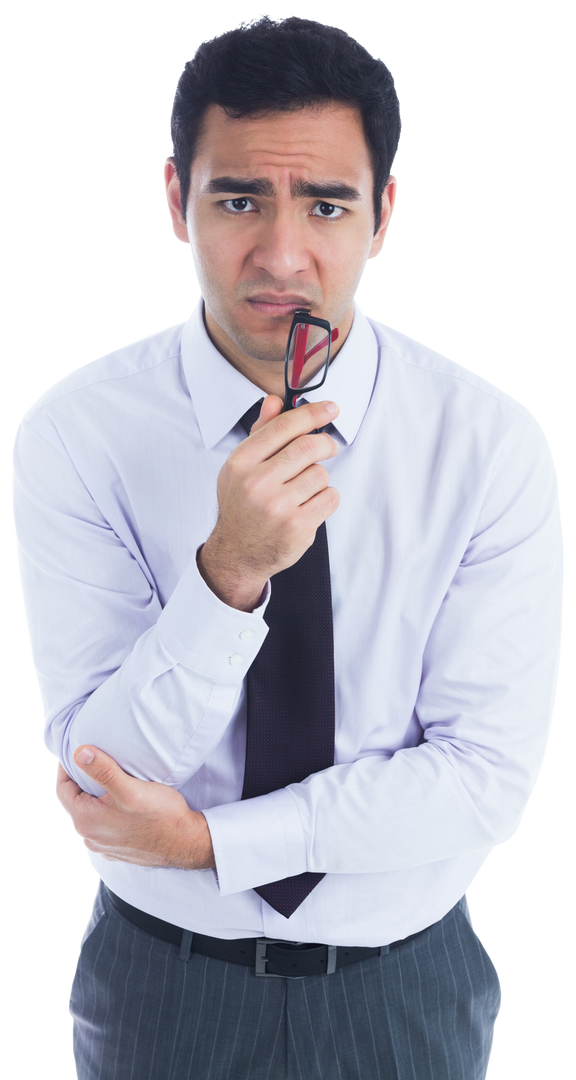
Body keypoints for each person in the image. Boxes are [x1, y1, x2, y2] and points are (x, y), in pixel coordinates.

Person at [9, 12, 564, 1080]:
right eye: (238, 200)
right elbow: (104, 776)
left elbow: (483, 779)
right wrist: (231, 571)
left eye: (325, 203)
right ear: (175, 199)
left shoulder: (488, 442)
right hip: (161, 982)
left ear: (384, 216)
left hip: (404, 984)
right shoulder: (78, 430)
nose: (282, 254)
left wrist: (213, 845)